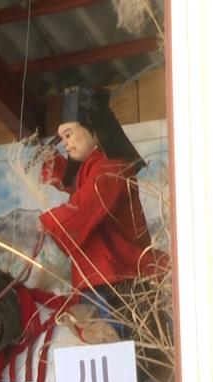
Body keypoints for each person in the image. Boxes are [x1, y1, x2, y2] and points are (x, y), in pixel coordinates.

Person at [39, 84, 167, 330]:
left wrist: (48, 222)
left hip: (116, 278)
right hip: (101, 277)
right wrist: (50, 162)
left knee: (113, 344)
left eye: (69, 134)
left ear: (94, 131)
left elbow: (85, 206)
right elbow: (77, 184)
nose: (64, 143)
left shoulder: (111, 167)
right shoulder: (97, 167)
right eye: (62, 137)